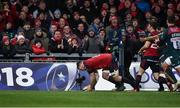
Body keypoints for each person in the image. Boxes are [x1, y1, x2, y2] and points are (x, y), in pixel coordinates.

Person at [140, 16, 180, 91]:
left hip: (174, 53)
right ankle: (176, 83)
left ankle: (176, 83)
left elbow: (158, 38)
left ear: (167, 21)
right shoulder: (178, 29)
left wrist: (149, 40)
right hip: (175, 53)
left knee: (176, 69)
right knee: (164, 66)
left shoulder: (167, 30)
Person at [136, 21, 173, 91]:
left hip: (148, 56)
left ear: (150, 26)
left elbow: (146, 46)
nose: (147, 27)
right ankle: (167, 83)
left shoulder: (151, 34)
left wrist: (140, 50)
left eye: (148, 26)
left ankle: (136, 89)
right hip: (156, 57)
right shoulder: (159, 34)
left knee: (140, 72)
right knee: (156, 76)